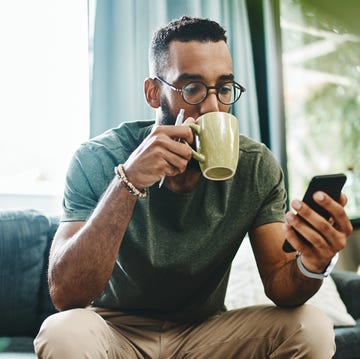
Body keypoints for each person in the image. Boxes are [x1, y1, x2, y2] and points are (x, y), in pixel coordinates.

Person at [34, 16, 353, 358]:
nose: (212, 107)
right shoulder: (97, 158)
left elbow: (280, 284)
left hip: (206, 333)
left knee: (311, 327)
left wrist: (312, 263)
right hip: (116, 331)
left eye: (224, 88)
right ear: (154, 93)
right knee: (62, 332)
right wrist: (127, 181)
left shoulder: (255, 166)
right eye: (192, 88)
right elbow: (67, 295)